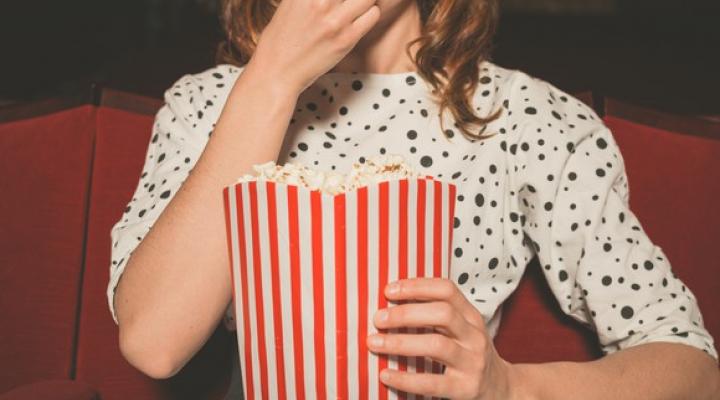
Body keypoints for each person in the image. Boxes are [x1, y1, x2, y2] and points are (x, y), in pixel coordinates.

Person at [107, 0, 720, 398]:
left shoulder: (528, 117)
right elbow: (155, 344)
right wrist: (270, 78)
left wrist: (507, 388)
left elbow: (692, 368)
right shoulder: (207, 104)